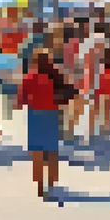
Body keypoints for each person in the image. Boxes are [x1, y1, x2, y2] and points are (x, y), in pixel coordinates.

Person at [18, 49, 68, 199]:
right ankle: (51, 183)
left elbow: (21, 99)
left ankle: (40, 185)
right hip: (52, 114)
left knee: (37, 151)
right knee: (52, 150)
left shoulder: (29, 77)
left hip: (35, 114)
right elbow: (67, 93)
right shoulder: (56, 75)